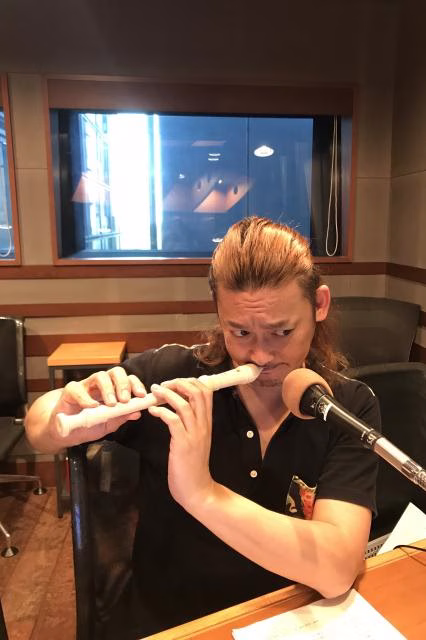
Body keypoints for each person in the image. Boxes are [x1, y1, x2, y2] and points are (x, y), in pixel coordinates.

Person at [25, 217, 380, 638]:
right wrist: (65, 416)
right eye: (240, 331)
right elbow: (39, 425)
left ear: (319, 305)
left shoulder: (345, 406)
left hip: (290, 620)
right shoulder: (173, 376)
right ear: (219, 314)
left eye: (281, 331)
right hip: (172, 623)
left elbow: (337, 569)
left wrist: (201, 494)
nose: (260, 354)